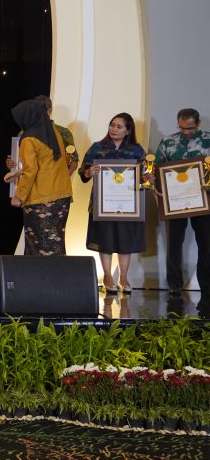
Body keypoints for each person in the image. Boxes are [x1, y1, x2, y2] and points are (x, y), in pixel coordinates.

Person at [78, 113, 147, 295]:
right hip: (102, 204)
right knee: (104, 240)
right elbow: (83, 172)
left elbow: (145, 174)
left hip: (128, 204)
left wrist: (147, 177)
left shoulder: (136, 149)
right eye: (112, 125)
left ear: (128, 131)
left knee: (125, 241)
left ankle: (123, 277)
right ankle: (107, 276)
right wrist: (89, 172)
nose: (114, 129)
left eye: (119, 126)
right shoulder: (97, 147)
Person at [154, 107, 210, 312]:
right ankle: (174, 287)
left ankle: (207, 289)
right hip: (174, 202)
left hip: (204, 201)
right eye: (182, 128)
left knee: (207, 246)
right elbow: (157, 169)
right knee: (174, 244)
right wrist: (155, 186)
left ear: (198, 124)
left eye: (190, 128)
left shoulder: (208, 140)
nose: (186, 132)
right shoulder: (168, 142)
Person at [5, 99, 73, 255]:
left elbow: (31, 171)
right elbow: (47, 162)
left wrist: (18, 197)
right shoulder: (52, 132)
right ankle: (59, 271)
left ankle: (38, 273)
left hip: (41, 199)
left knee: (39, 246)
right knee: (55, 243)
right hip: (62, 196)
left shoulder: (28, 139)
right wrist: (18, 172)